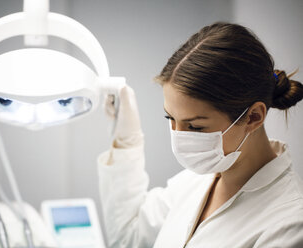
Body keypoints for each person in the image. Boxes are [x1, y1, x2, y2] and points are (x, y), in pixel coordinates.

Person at [97, 22, 303, 248]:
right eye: (170, 119)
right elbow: (129, 238)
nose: (179, 138)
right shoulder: (196, 180)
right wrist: (127, 141)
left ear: (253, 117)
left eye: (195, 127)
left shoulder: (290, 224)